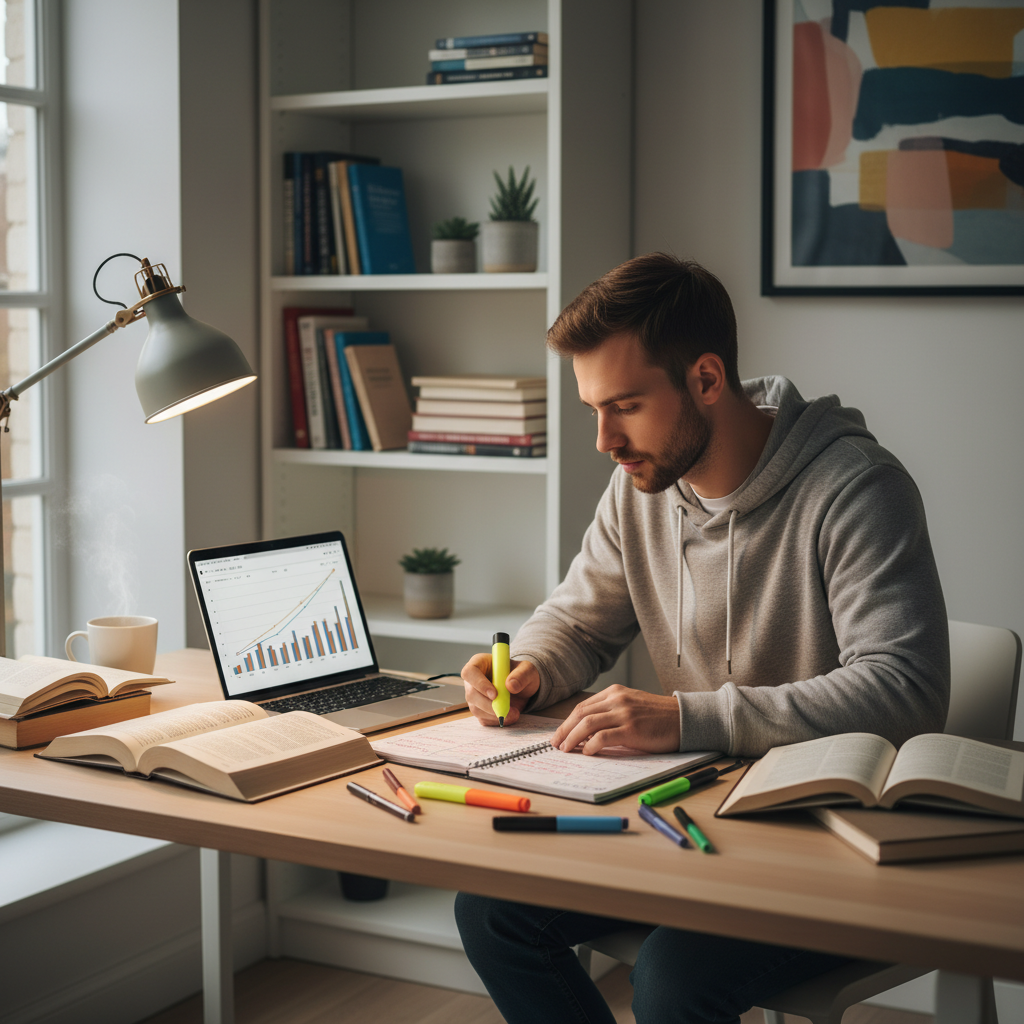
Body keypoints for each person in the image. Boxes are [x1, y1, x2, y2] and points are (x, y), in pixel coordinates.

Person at [454, 253, 949, 1024]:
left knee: (673, 979)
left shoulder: (856, 489)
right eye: (593, 409)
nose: (604, 439)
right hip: (688, 817)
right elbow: (579, 619)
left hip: (821, 837)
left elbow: (906, 689)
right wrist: (531, 667)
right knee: (491, 909)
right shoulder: (642, 484)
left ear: (707, 380)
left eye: (624, 405)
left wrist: (687, 719)